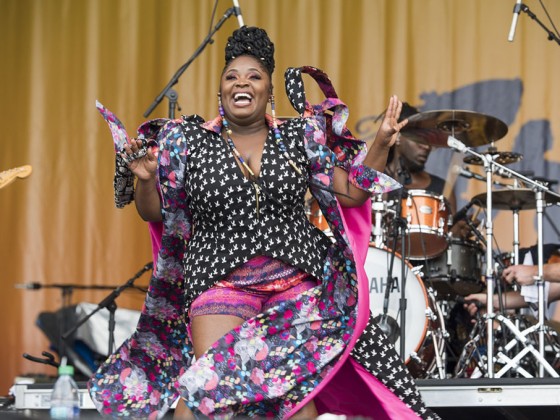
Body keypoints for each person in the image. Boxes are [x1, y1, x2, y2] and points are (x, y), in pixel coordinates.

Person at [89, 26, 439, 419]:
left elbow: (352, 193)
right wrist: (147, 179)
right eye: (231, 77)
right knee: (210, 393)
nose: (241, 82)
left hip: (295, 284)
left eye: (253, 76)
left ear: (269, 91)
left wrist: (381, 143)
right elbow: (153, 212)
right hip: (219, 279)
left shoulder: (298, 136)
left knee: (295, 405)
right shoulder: (187, 141)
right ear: (220, 90)